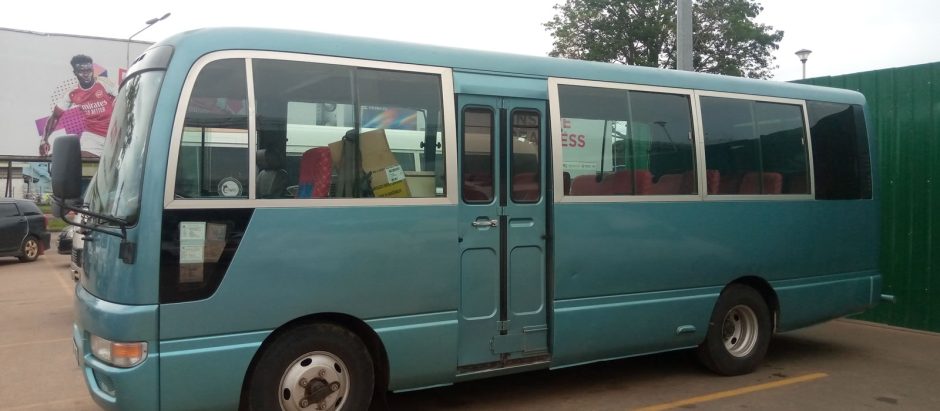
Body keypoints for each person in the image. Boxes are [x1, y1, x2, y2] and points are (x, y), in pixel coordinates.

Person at [40, 54, 117, 157]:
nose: (86, 74)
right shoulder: (72, 93)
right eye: (82, 71)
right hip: (93, 136)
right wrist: (44, 140)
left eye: (89, 70)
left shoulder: (104, 83)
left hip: (114, 134)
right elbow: (55, 117)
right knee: (83, 162)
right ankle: (61, 159)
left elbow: (124, 98)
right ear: (75, 73)